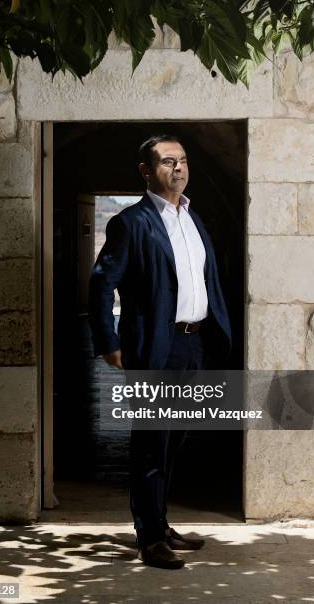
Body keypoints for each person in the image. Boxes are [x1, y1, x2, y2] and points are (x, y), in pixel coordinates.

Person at [89, 135, 231, 569]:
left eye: (184, 161)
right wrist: (109, 341)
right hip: (156, 346)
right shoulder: (131, 222)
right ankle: (149, 539)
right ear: (146, 171)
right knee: (152, 444)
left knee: (174, 442)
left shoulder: (193, 216)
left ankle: (160, 521)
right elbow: (101, 283)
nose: (179, 169)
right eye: (168, 162)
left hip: (193, 344)